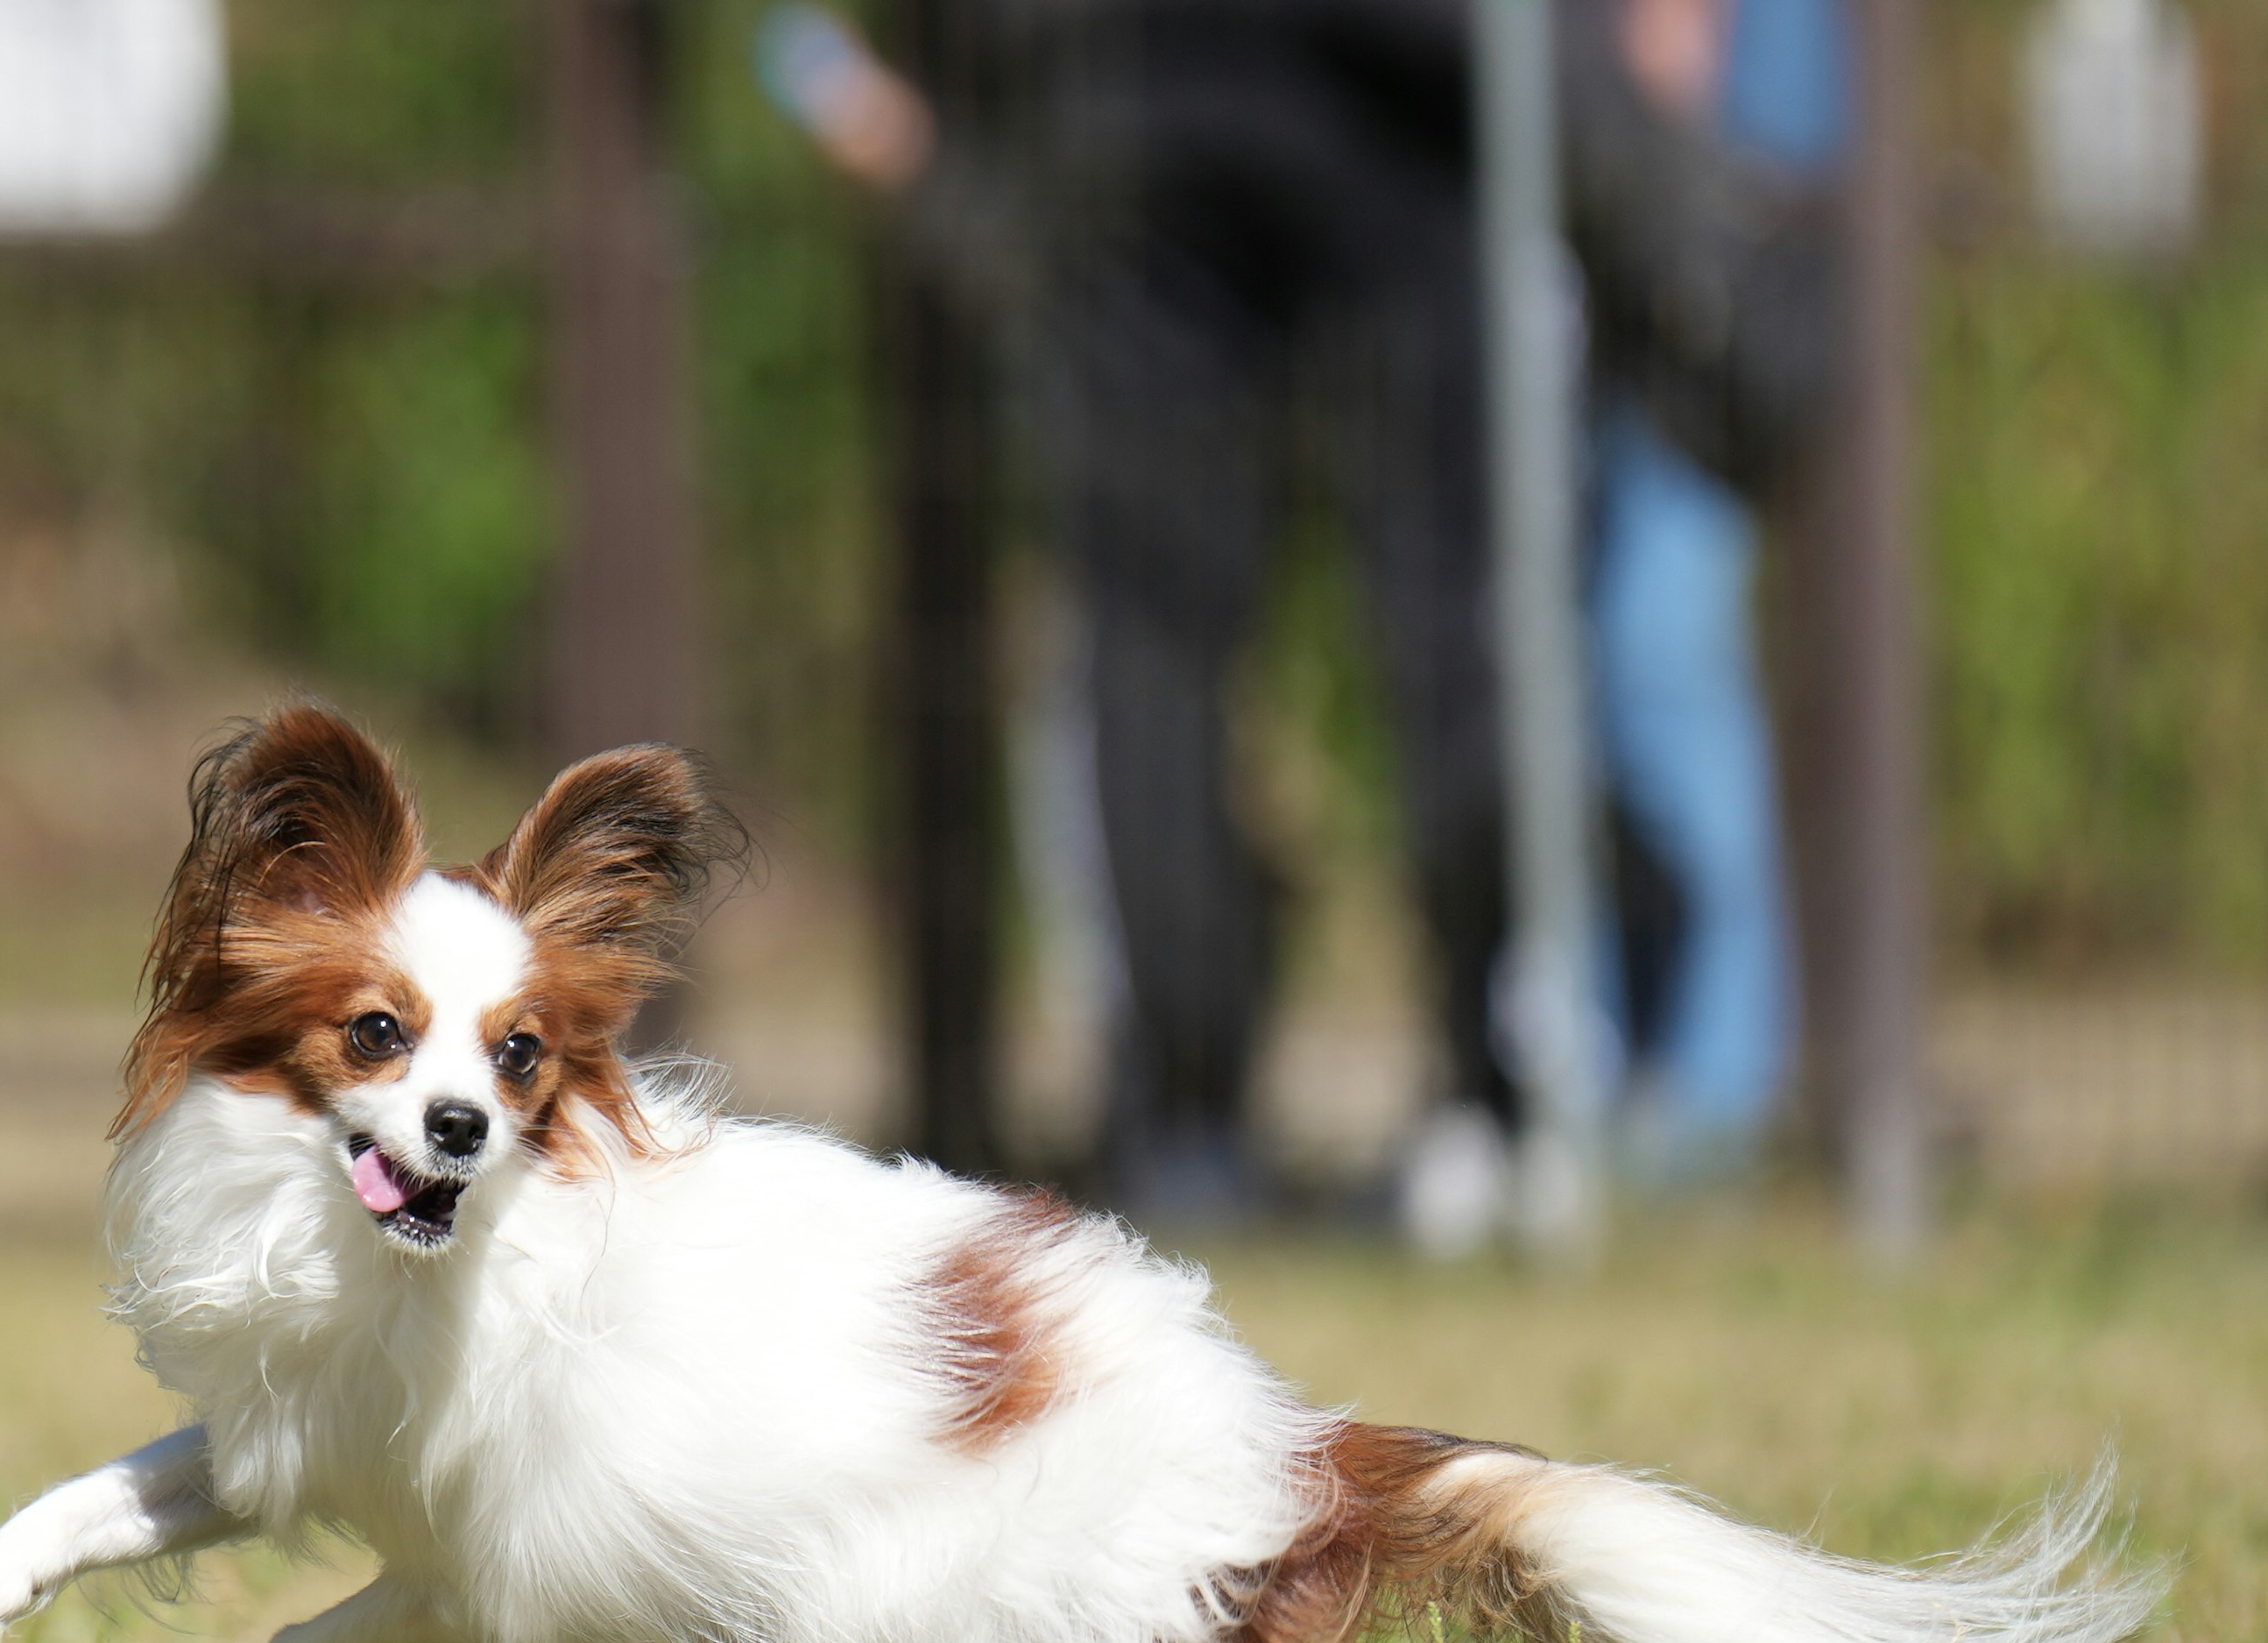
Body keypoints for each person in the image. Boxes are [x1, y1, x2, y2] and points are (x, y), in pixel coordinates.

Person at [765, 0, 1837, 1240]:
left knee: (1159, 632)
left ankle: (1186, 1122)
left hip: (1134, 92)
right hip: (1400, 82)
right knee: (1455, 606)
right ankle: (1487, 1090)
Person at [1590, 0, 1844, 1186]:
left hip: (1704, 209)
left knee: (1659, 652)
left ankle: (1716, 1088)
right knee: (1604, 671)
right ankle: (1621, 1063)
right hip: (1630, 210)